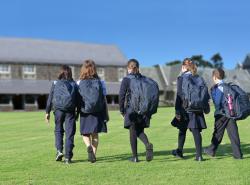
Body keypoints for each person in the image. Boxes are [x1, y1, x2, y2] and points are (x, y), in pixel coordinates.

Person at [172, 58, 210, 161]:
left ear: (184, 67)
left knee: (182, 131)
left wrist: (177, 110)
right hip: (197, 108)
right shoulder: (199, 78)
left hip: (185, 108)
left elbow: (179, 95)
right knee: (196, 131)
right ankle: (199, 156)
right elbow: (205, 94)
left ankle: (179, 152)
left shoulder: (181, 78)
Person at [119, 59, 155, 163]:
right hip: (143, 111)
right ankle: (147, 144)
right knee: (139, 131)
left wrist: (122, 110)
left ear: (128, 68)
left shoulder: (126, 79)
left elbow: (121, 96)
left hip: (132, 110)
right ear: (138, 67)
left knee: (132, 133)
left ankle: (135, 157)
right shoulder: (144, 79)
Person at [204, 68, 243, 159]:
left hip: (221, 114)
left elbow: (218, 102)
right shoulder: (228, 86)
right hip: (231, 113)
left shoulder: (218, 87)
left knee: (218, 133)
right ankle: (238, 154)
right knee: (233, 134)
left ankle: (211, 150)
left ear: (214, 77)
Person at [45, 65, 79, 164]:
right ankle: (68, 156)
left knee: (58, 130)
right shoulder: (74, 84)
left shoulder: (55, 83)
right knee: (70, 133)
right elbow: (78, 99)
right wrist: (78, 112)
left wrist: (47, 112)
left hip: (58, 110)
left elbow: (50, 98)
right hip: (70, 110)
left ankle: (59, 151)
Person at [77, 59, 108, 163]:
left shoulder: (79, 82)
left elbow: (77, 99)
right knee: (95, 134)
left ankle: (88, 146)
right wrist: (106, 114)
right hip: (98, 111)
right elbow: (104, 99)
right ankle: (93, 155)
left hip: (85, 111)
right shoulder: (101, 82)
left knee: (85, 133)